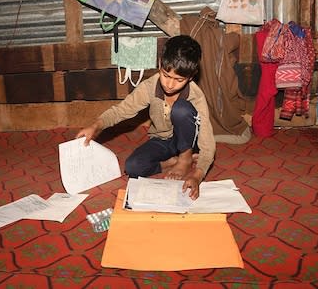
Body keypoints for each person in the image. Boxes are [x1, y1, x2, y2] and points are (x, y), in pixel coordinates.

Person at [76, 35, 216, 200]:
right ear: (159, 64)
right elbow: (121, 111)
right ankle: (171, 161)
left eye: (178, 80)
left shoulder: (196, 96)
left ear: (191, 76)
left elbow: (207, 142)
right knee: (133, 167)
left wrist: (198, 176)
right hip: (161, 139)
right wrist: (96, 125)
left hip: (187, 138)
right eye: (166, 75)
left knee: (181, 109)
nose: (170, 85)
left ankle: (185, 159)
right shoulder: (149, 87)